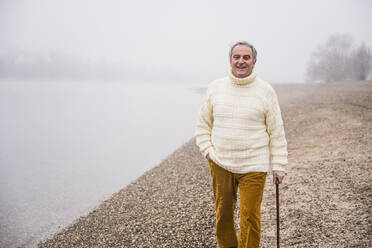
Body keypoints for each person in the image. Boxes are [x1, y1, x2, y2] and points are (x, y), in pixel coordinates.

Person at [195, 41, 287, 248]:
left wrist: (279, 164)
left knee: (250, 217)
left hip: (254, 165)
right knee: (223, 215)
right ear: (230, 61)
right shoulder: (215, 88)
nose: (241, 61)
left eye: (246, 57)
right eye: (237, 57)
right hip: (220, 163)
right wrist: (208, 151)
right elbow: (203, 125)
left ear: (254, 61)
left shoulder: (265, 91)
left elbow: (276, 131)